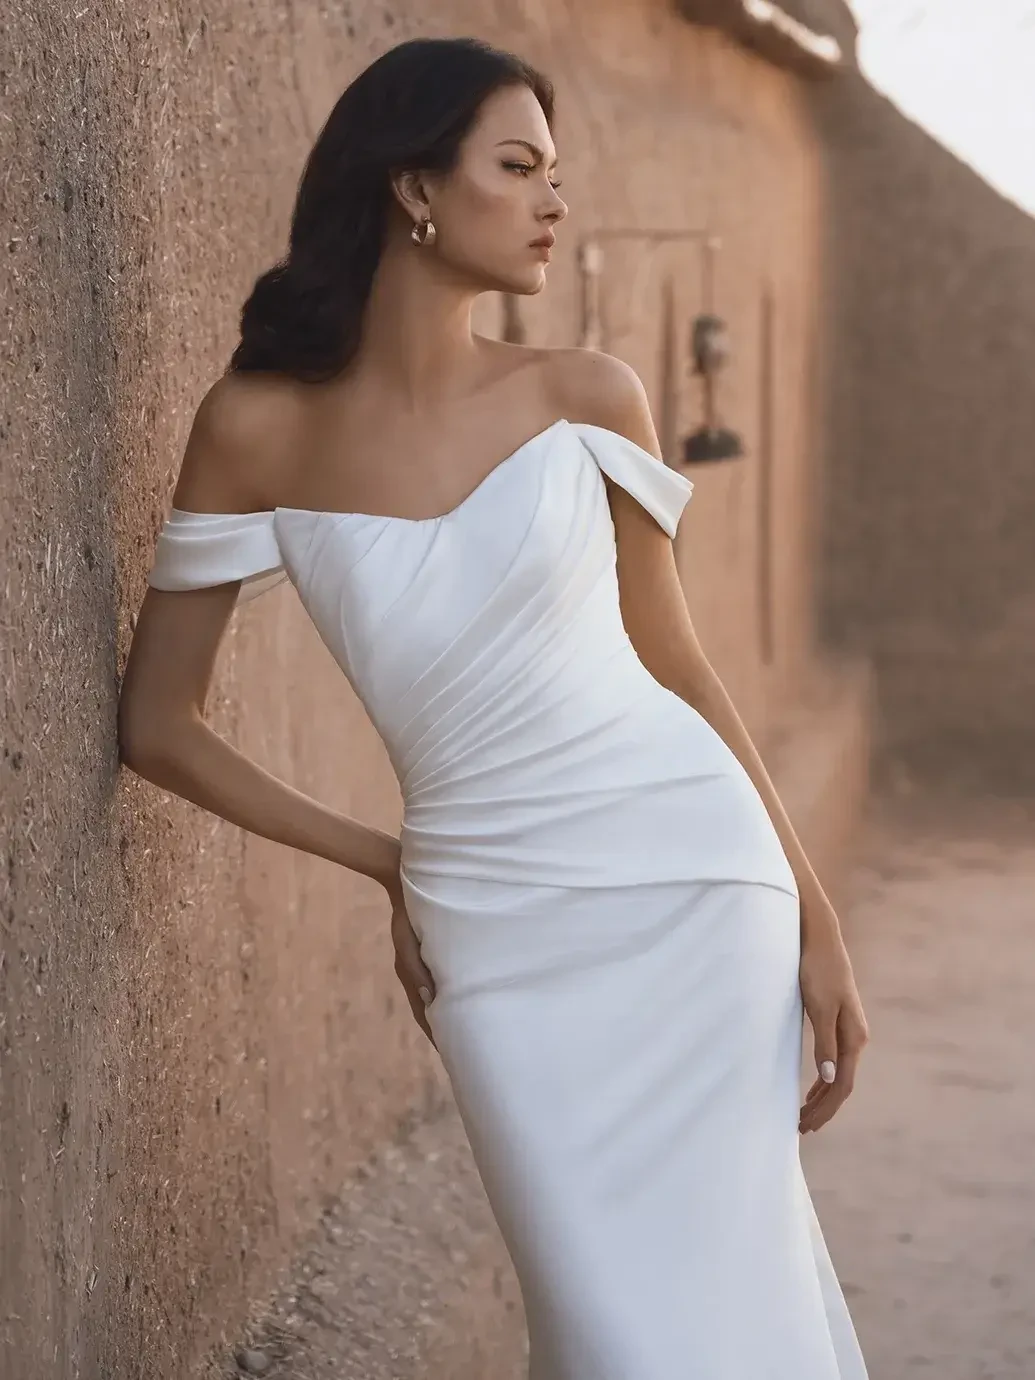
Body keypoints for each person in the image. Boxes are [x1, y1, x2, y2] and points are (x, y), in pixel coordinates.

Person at [118, 35, 870, 1378]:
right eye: (516, 167)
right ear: (413, 186)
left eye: (555, 173)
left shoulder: (589, 398)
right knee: (600, 1332)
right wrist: (389, 862)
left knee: (722, 1311)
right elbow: (156, 727)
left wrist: (813, 915)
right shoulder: (256, 428)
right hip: (495, 932)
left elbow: (680, 664)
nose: (552, 204)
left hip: (694, 887)